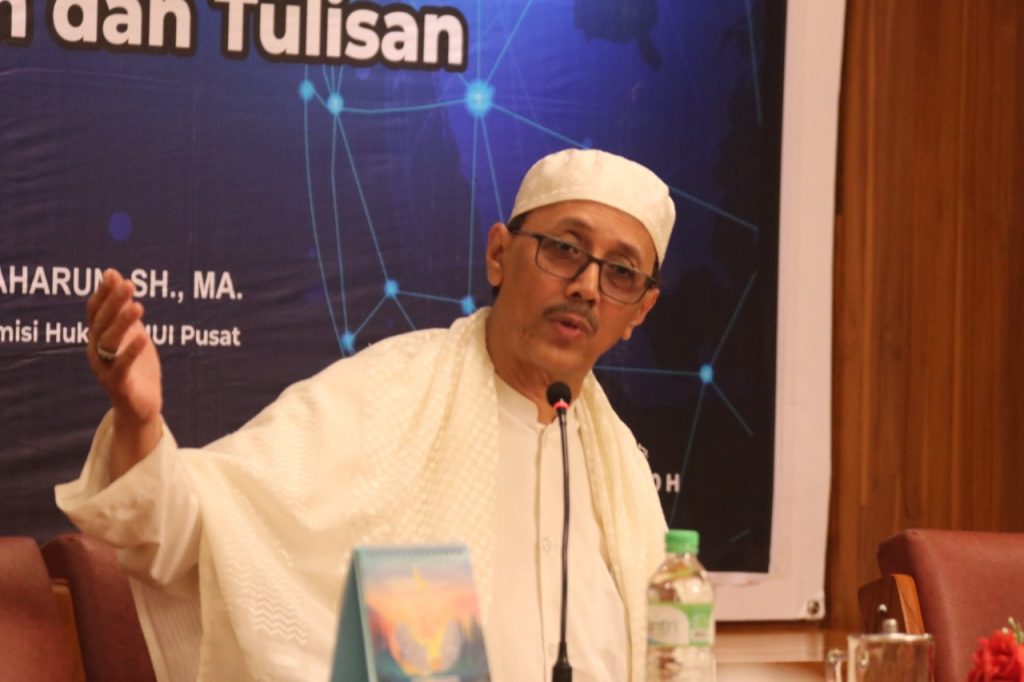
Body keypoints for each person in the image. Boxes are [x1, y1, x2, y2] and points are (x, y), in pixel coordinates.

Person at [56, 148, 675, 682]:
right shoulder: (387, 397)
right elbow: (187, 529)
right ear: (498, 255)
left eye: (620, 273)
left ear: (640, 312)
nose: (587, 286)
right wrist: (138, 421)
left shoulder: (621, 477)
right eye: (564, 249)